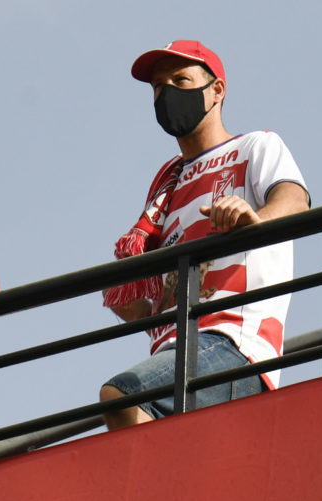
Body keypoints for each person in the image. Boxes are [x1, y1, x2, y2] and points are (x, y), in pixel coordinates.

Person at [100, 41, 309, 429]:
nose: (168, 94)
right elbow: (150, 302)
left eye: (181, 80)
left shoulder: (255, 145)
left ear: (217, 90)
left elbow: (295, 200)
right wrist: (122, 293)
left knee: (121, 395)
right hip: (170, 349)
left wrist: (255, 219)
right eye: (159, 88)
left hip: (232, 340)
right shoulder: (167, 183)